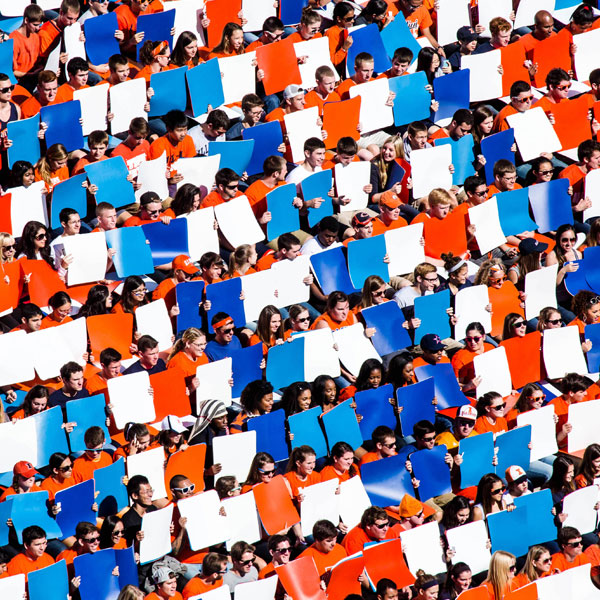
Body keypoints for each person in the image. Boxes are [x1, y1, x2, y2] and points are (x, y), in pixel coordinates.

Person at [10, 4, 44, 84]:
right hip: (20, 83)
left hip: (34, 79)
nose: (37, 28)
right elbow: (13, 72)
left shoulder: (36, 36)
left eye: (39, 25)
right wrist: (31, 74)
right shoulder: (13, 39)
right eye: (35, 25)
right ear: (26, 20)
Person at [122, 474, 157, 546]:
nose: (150, 495)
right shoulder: (128, 520)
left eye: (151, 490)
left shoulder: (153, 509)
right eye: (146, 492)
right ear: (135, 496)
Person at [325, 2, 356, 68]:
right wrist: (344, 48)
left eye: (353, 17)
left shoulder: (350, 30)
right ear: (339, 19)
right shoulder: (331, 33)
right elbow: (333, 61)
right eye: (349, 19)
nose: (353, 21)